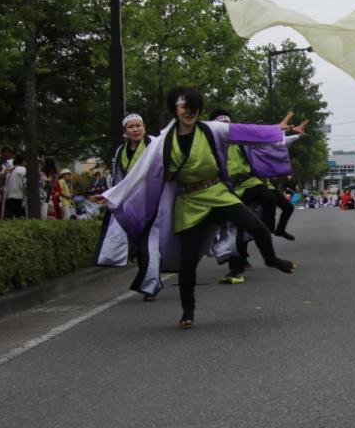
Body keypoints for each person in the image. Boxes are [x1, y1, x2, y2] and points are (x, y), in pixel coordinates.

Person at [100, 87, 297, 329]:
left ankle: (271, 259)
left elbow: (247, 132)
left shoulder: (212, 129)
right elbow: (139, 173)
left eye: (193, 108)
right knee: (188, 262)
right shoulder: (163, 141)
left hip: (217, 193)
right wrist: (113, 196)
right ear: (175, 109)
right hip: (189, 201)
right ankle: (187, 311)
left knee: (258, 227)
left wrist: (276, 130)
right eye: (184, 107)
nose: (189, 112)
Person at [209, 109, 305, 284]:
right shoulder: (209, 145)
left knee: (269, 198)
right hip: (226, 189)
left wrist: (289, 132)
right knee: (234, 228)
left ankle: (267, 229)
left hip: (248, 182)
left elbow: (265, 140)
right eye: (220, 124)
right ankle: (236, 267)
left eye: (227, 123)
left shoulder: (240, 140)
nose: (225, 126)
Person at [95, 113, 159, 298]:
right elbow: (119, 179)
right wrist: (110, 196)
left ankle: (149, 285)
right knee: (139, 243)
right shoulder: (120, 151)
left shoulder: (154, 145)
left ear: (144, 127)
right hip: (130, 202)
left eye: (138, 125)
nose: (135, 129)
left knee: (149, 243)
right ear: (125, 131)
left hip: (152, 199)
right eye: (131, 127)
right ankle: (147, 279)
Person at [2, 153, 27, 218]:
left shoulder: (10, 170)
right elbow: (24, 184)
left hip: (9, 197)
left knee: (11, 218)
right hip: (19, 197)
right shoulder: (23, 170)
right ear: (24, 161)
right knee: (20, 218)